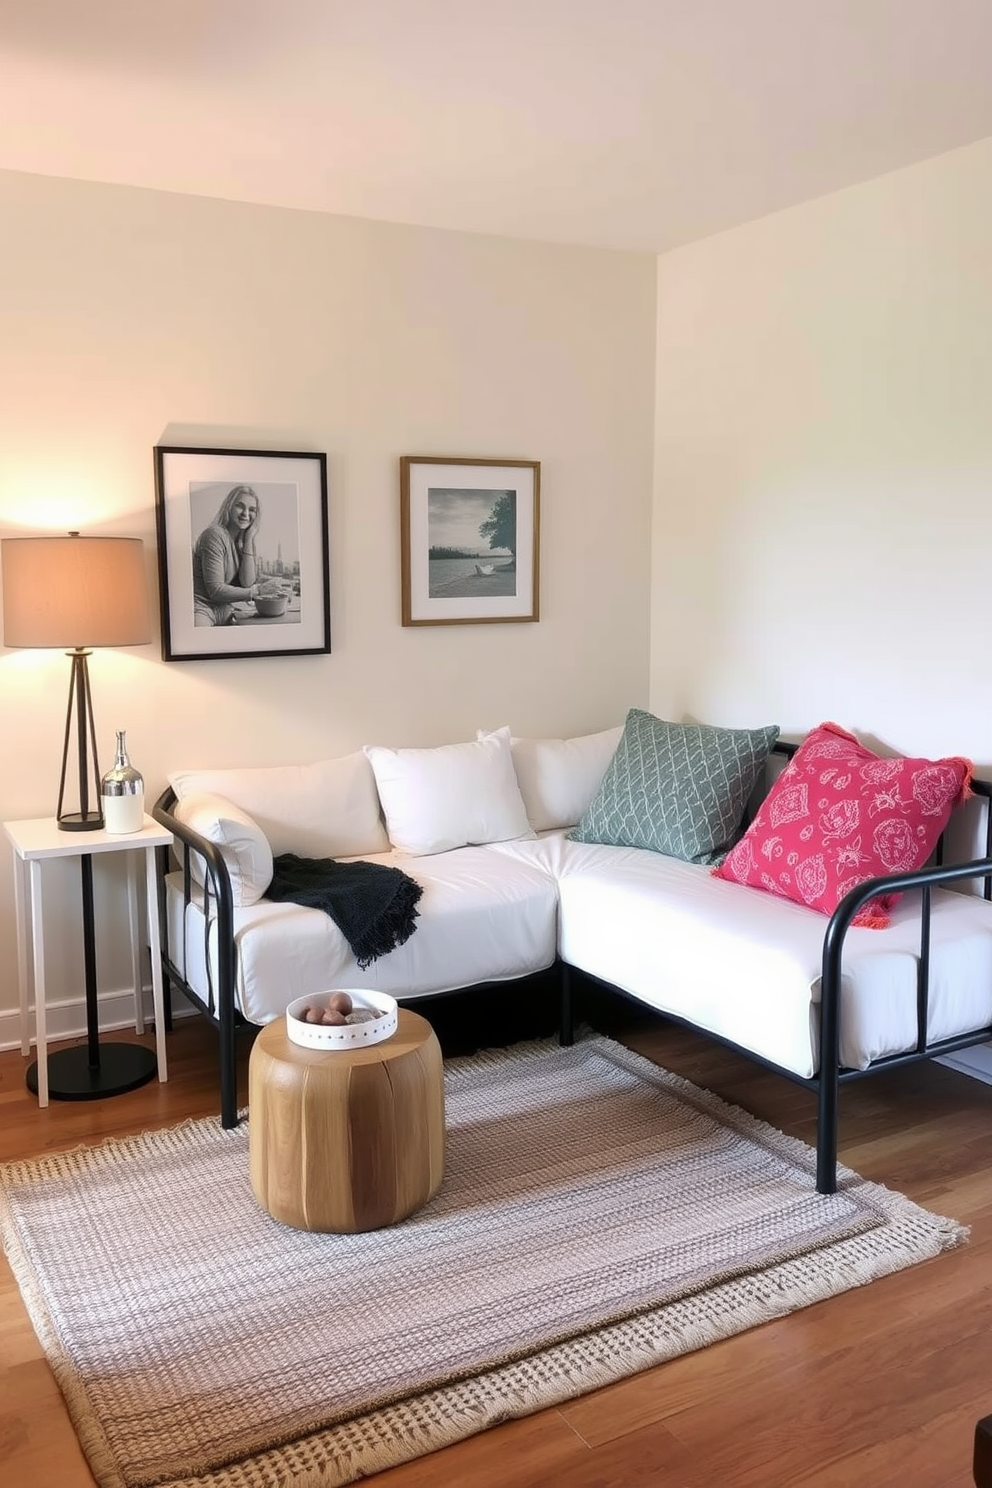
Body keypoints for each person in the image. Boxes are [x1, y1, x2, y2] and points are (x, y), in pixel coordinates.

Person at [192, 485, 281, 626]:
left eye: (252, 510)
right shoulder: (214, 534)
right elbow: (216, 591)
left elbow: (247, 582)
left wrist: (249, 538)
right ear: (229, 507)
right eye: (240, 506)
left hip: (226, 609)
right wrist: (258, 590)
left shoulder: (245, 541)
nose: (246, 513)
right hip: (202, 609)